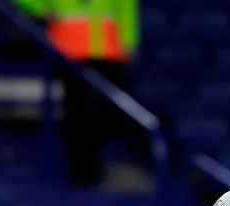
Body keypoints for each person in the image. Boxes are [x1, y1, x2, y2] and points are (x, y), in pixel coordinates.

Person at [13, 0, 139, 187]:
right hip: (70, 51)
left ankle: (90, 164)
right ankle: (82, 173)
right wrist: (40, 8)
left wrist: (129, 41)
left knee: (112, 111)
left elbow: (126, 7)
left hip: (109, 51)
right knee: (78, 112)